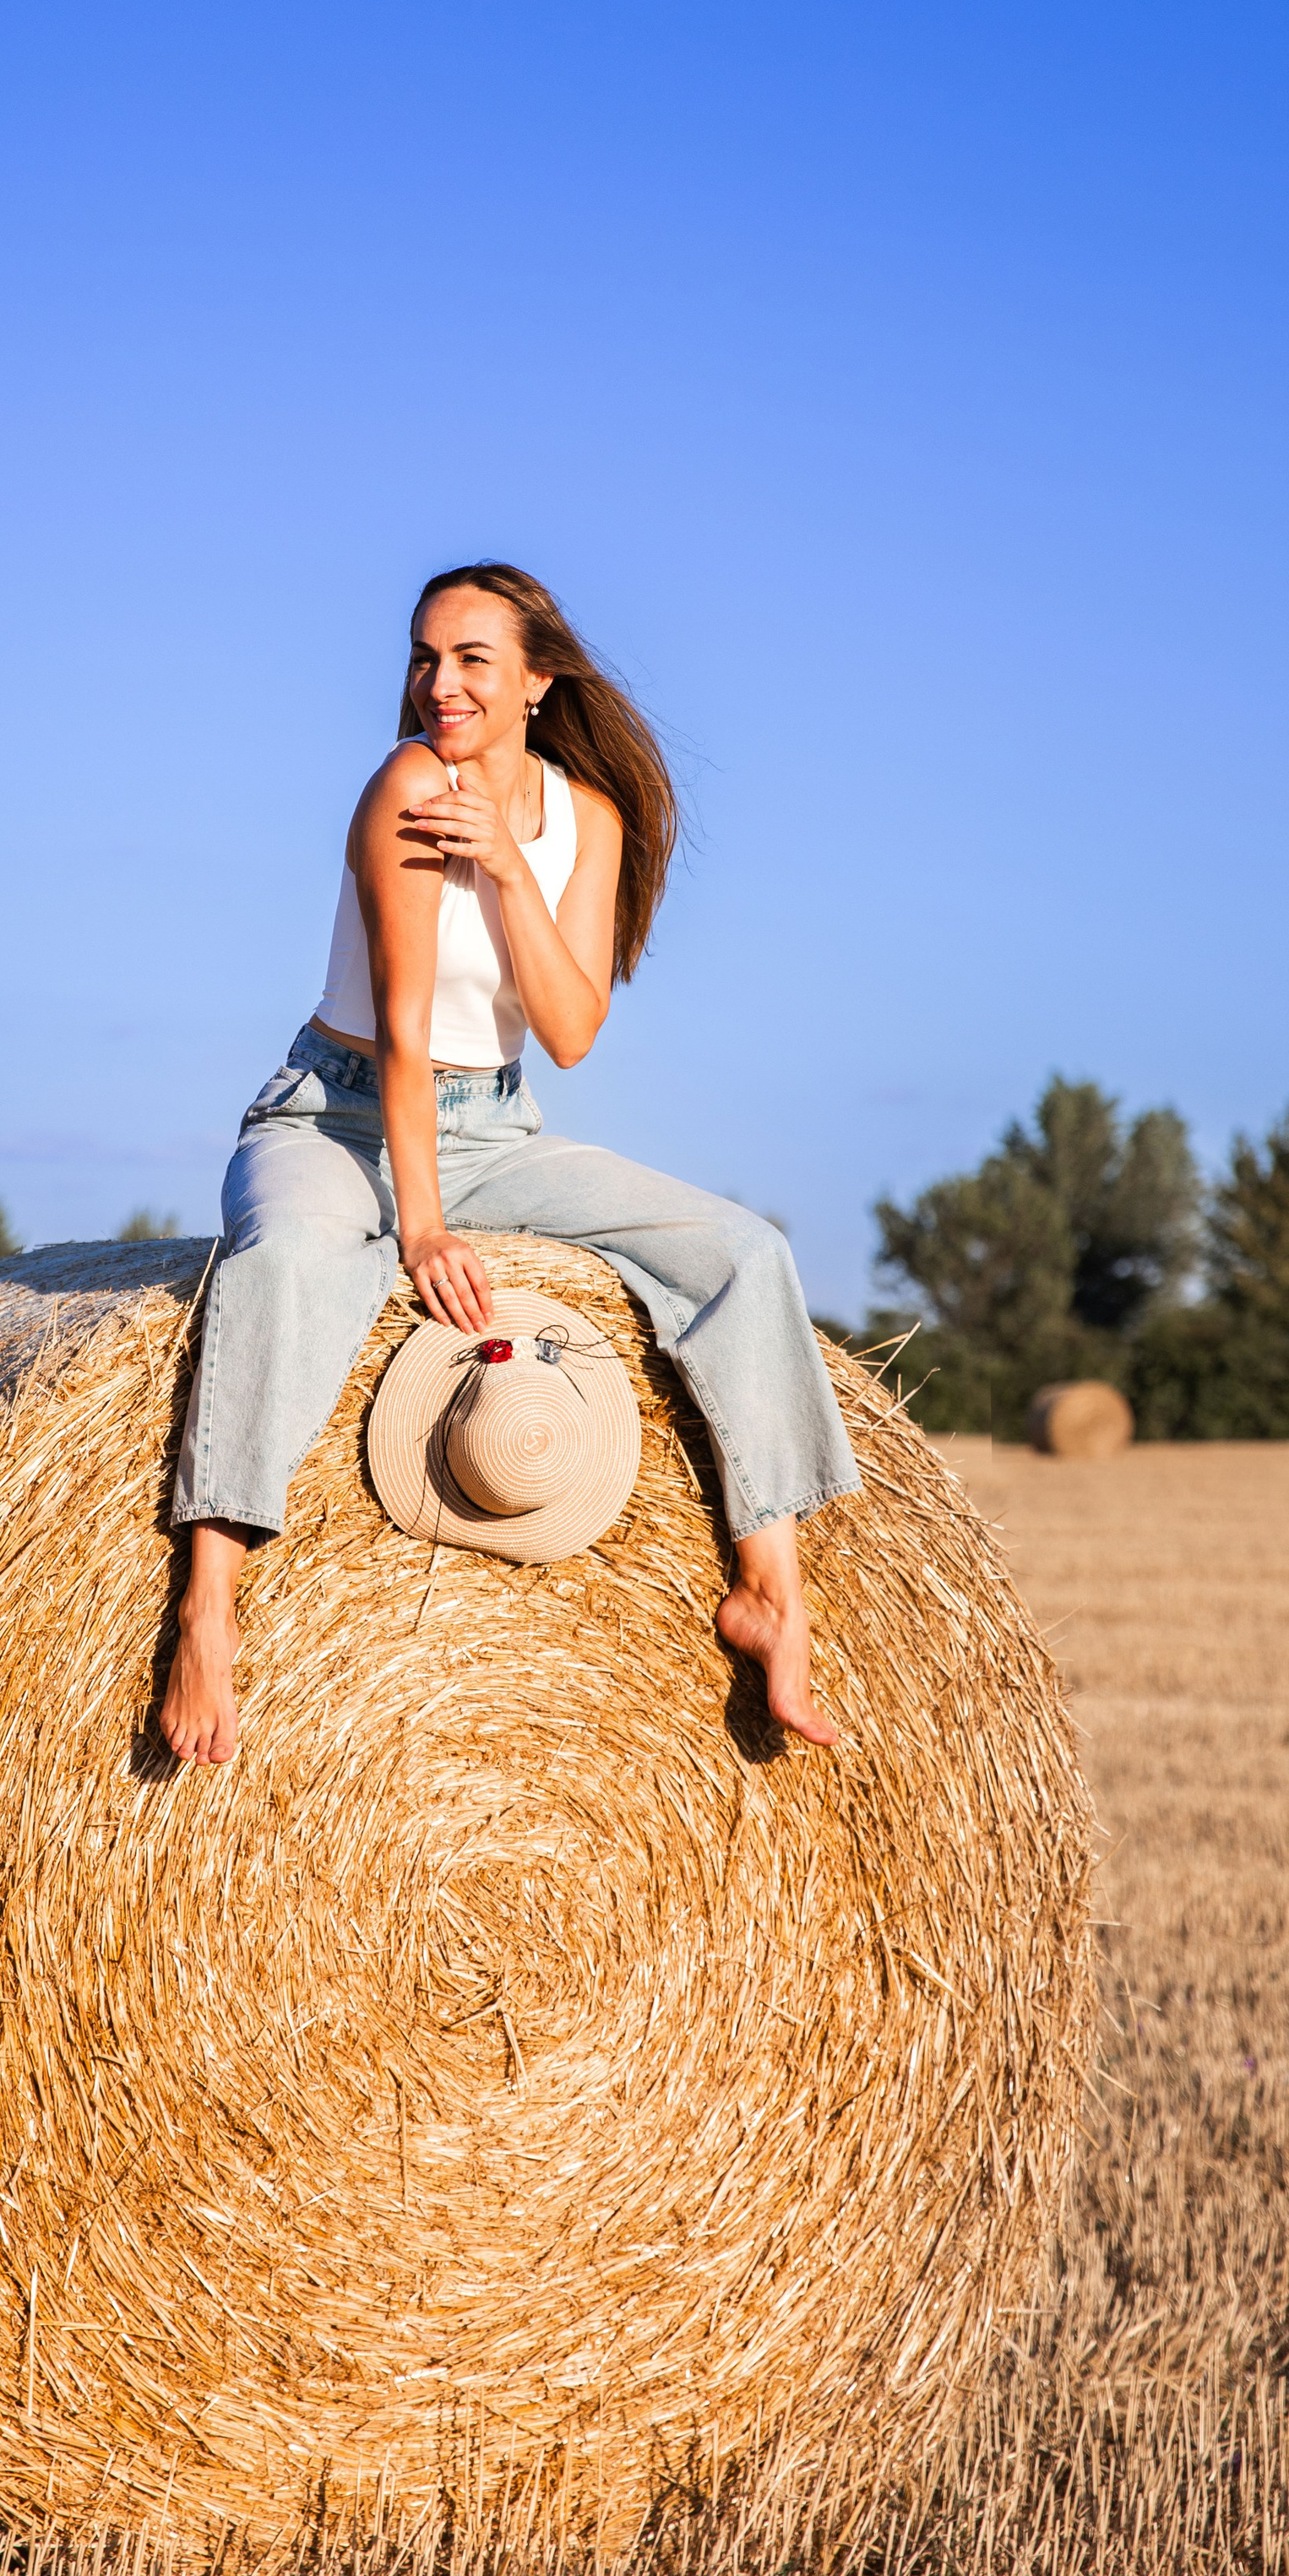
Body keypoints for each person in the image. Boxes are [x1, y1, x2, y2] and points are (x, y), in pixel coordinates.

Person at [160, 562, 861, 1766]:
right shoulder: (406, 787)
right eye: (424, 658)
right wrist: (420, 1227)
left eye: (472, 660)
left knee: (745, 1256)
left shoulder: (588, 819)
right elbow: (404, 1029)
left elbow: (572, 1029)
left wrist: (504, 863)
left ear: (537, 682)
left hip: (494, 1128)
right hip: (333, 1118)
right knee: (285, 1264)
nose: (440, 684)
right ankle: (207, 1604)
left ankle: (770, 1591)